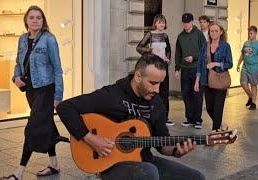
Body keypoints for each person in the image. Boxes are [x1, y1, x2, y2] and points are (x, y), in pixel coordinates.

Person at [56, 54, 205, 180]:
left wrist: (176, 151)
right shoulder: (112, 95)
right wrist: (90, 138)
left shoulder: (156, 103)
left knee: (196, 177)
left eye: (160, 83)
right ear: (138, 76)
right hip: (110, 164)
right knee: (149, 172)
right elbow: (65, 107)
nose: (157, 89)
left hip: (143, 160)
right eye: (153, 83)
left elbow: (162, 143)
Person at [0, 5, 64, 180]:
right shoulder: (22, 39)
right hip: (31, 90)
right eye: (32, 17)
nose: (35, 20)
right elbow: (18, 62)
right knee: (47, 124)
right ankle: (54, 164)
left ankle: (18, 173)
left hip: (46, 89)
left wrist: (58, 96)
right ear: (26, 20)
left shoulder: (49, 39)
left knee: (32, 128)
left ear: (43, 21)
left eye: (39, 17)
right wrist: (15, 77)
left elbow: (58, 69)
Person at [194, 21, 233, 131]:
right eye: (212, 31)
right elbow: (200, 64)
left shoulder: (225, 46)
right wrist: (197, 80)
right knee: (209, 108)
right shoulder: (205, 46)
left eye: (216, 31)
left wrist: (216, 64)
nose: (214, 33)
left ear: (221, 32)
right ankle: (220, 124)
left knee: (218, 108)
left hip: (220, 81)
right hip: (207, 81)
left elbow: (229, 64)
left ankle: (215, 132)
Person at [136, 14, 173, 126]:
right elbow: (139, 47)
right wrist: (151, 50)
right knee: (152, 90)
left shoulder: (165, 35)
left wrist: (167, 59)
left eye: (163, 22)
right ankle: (151, 115)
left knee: (164, 92)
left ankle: (165, 117)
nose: (161, 24)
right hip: (153, 66)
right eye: (159, 22)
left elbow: (169, 50)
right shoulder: (150, 35)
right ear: (155, 23)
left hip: (163, 67)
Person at [175, 13, 206, 129]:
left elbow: (204, 51)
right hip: (185, 69)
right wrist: (177, 69)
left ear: (192, 22)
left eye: (188, 22)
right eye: (184, 22)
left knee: (197, 95)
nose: (186, 24)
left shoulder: (199, 34)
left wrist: (194, 57)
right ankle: (189, 118)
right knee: (186, 94)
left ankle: (198, 120)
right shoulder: (180, 36)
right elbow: (178, 54)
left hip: (197, 69)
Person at [236, 26, 258, 110]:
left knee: (253, 85)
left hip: (254, 68)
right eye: (249, 33)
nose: (250, 35)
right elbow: (242, 55)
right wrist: (238, 64)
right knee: (243, 83)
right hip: (245, 67)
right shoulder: (246, 43)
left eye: (251, 33)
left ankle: (253, 103)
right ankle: (251, 96)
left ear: (255, 33)